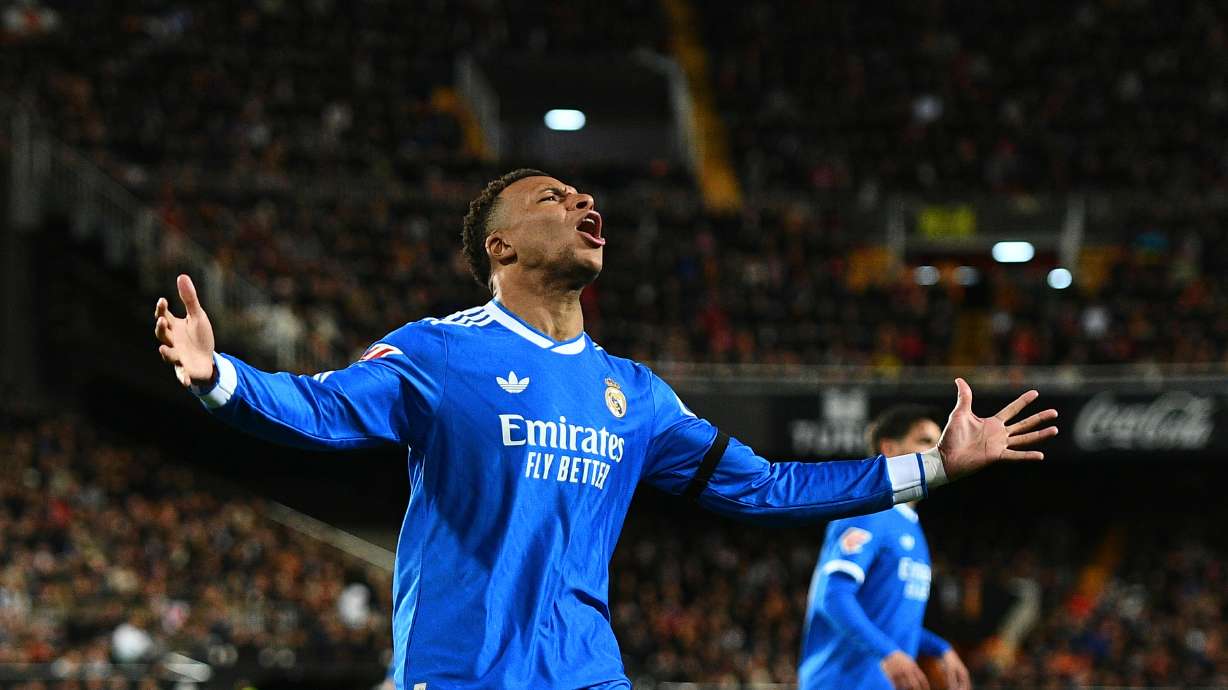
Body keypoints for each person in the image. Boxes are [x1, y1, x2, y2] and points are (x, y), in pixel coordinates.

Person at [152, 168, 1057, 689]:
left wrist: (932, 469)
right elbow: (323, 408)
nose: (585, 206)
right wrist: (219, 376)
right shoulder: (437, 353)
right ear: (499, 247)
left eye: (588, 200)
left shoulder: (638, 396)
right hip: (463, 670)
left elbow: (768, 487)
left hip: (586, 672)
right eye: (553, 197)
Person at [799, 405, 973, 690]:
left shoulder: (910, 527)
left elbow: (890, 619)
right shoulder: (868, 512)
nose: (938, 451)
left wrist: (939, 647)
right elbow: (833, 596)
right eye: (926, 441)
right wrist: (889, 653)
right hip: (840, 683)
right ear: (889, 449)